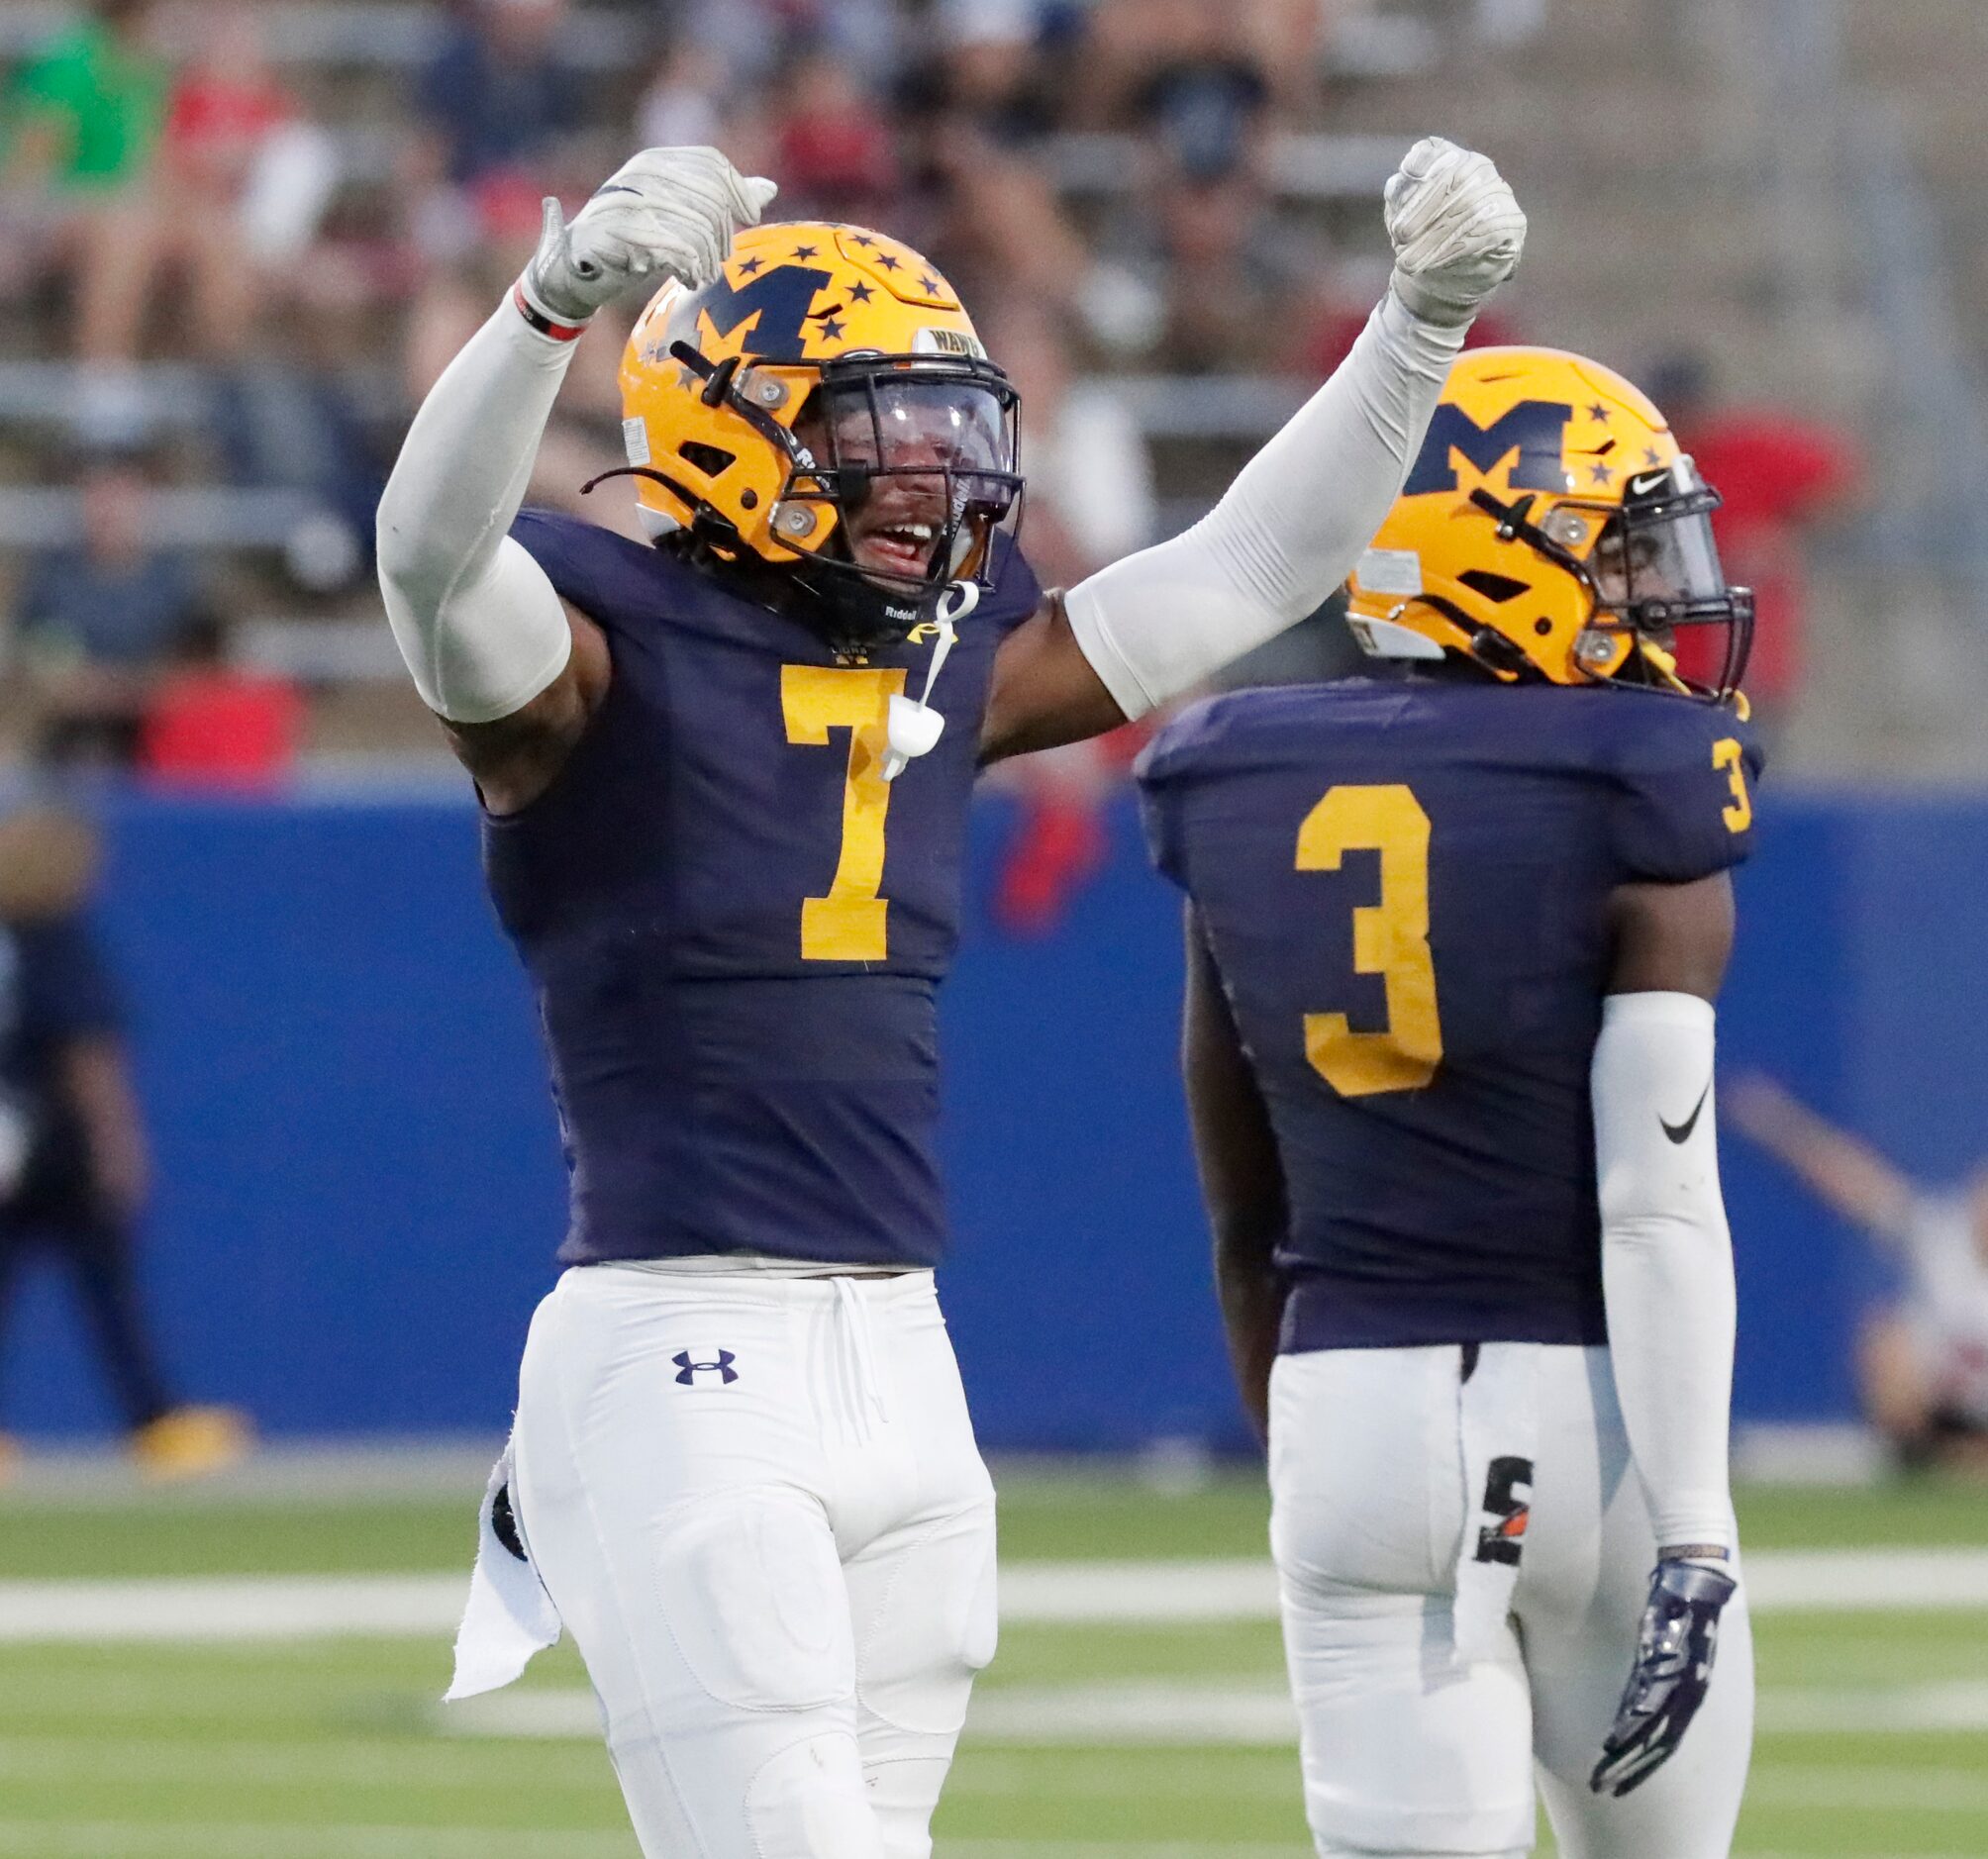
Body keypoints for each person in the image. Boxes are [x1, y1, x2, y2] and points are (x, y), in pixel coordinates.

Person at [376, 139, 1523, 1857]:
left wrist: (1419, 325)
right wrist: (550, 307)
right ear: (733, 432)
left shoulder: (934, 643)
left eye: (944, 430)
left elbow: (1244, 570)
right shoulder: (591, 646)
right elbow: (424, 563)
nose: (931, 480)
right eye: (873, 433)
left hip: (906, 1357)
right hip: (686, 1351)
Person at [1137, 346, 1761, 1857]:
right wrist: (1694, 1521)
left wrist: (1297, 1443)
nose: (1655, 595)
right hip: (1600, 1426)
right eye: (1618, 551)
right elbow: (1656, 1200)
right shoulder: (1636, 783)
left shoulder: (1231, 775)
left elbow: (1242, 1211)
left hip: (1351, 1407)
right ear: (1506, 554)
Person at [0, 805, 250, 1482]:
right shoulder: (55, 940)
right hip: (63, 1149)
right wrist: (118, 1143)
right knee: (109, 1295)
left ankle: (154, 1420)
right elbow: (88, 1053)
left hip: (9, 1146)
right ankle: (155, 1424)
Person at [1729, 1073, 1988, 1474]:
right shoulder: (1939, 1238)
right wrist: (1777, 1121)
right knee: (1887, 1338)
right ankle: (1929, 1457)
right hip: (1941, 1407)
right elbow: (1855, 1182)